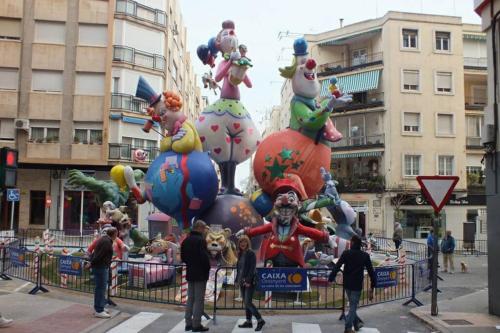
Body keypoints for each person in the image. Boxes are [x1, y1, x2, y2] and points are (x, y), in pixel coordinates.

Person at [329, 235, 375, 333]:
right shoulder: (365, 256)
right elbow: (371, 272)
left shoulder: (346, 253)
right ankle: (348, 328)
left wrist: (331, 277)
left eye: (351, 242)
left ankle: (356, 323)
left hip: (347, 284)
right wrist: (372, 285)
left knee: (352, 306)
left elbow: (337, 266)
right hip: (357, 285)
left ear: (353, 243)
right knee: (353, 306)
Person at [181, 220, 211, 332]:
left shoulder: (186, 240)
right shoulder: (201, 241)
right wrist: (207, 269)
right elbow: (204, 258)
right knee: (198, 300)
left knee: (190, 298)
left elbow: (183, 257)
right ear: (200, 228)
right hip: (200, 274)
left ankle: (188, 323)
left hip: (190, 272)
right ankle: (196, 324)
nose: (204, 231)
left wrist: (190, 263)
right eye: (204, 229)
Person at [236, 236, 265, 331]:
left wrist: (248, 281)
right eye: (241, 242)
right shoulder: (240, 253)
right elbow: (239, 269)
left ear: (248, 243)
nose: (242, 243)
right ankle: (248, 322)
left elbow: (252, 268)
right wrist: (237, 280)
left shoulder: (251, 253)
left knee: (248, 302)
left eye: (244, 241)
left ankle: (260, 320)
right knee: (246, 303)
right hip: (241, 281)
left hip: (249, 282)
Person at [89, 227, 117, 319]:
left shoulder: (104, 239)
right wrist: (91, 263)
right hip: (101, 267)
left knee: (100, 288)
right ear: (114, 234)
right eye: (116, 234)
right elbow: (99, 255)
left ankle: (100, 307)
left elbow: (97, 254)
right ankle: (99, 310)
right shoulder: (106, 242)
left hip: (100, 266)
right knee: (100, 288)